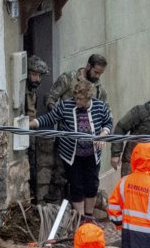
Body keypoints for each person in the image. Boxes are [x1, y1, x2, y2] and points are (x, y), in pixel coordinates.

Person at [30, 79, 113, 221]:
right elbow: (50, 118)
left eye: (80, 99)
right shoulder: (66, 106)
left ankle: (88, 216)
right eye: (76, 98)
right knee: (76, 185)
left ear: (88, 98)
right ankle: (80, 218)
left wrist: (103, 134)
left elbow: (108, 122)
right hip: (73, 155)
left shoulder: (99, 107)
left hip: (92, 154)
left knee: (92, 185)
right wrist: (32, 124)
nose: (77, 102)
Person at [41, 54, 109, 202]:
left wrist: (102, 132)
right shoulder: (68, 78)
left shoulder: (99, 90)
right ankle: (54, 209)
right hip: (66, 141)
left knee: (85, 182)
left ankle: (78, 213)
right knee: (59, 176)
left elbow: (105, 114)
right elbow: (50, 97)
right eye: (96, 72)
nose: (97, 76)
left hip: (88, 147)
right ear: (88, 67)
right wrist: (57, 114)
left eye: (100, 74)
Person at [25, 55, 49, 203]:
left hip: (32, 133)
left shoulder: (33, 90)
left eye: (39, 76)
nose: (37, 79)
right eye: (34, 75)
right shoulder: (24, 91)